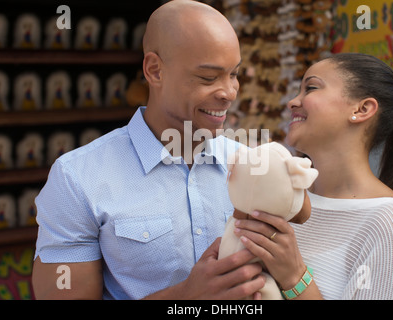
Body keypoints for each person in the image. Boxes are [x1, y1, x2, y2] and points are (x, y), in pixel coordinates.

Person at [32, 0, 267, 300]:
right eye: (208, 77)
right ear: (154, 70)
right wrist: (186, 298)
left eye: (234, 74)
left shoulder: (251, 163)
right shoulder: (77, 179)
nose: (229, 92)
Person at [234, 52, 393, 299]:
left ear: (362, 109)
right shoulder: (280, 198)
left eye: (310, 88)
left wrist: (295, 277)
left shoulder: (392, 222)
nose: (292, 102)